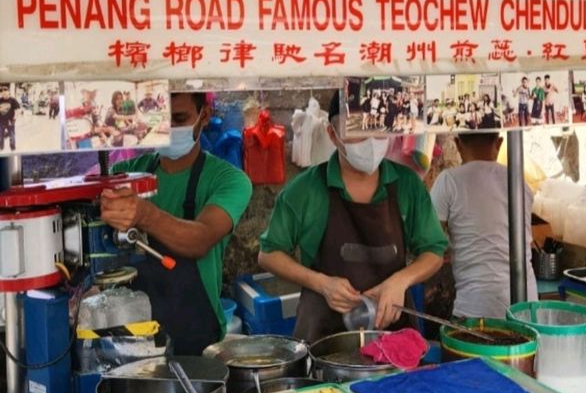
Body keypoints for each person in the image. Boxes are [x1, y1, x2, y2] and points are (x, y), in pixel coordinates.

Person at [258, 91, 447, 343]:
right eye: (356, 130)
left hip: (392, 331)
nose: (369, 140)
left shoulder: (407, 185)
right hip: (324, 336)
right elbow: (268, 254)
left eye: (377, 127)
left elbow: (434, 251)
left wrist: (401, 281)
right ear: (332, 135)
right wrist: (322, 283)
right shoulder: (305, 190)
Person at [100, 92, 252, 355]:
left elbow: (201, 239)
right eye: (158, 119)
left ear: (204, 116)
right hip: (128, 335)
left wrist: (145, 215)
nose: (167, 129)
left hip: (194, 335)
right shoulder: (124, 176)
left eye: (178, 118)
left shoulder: (229, 180)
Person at [430, 132, 538, 319]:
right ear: (499, 142)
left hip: (476, 308)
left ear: (457, 144)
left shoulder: (449, 180)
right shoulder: (519, 181)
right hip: (527, 303)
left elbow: (431, 240)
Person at [0, 86, 20, 152]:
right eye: (3, 93)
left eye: (5, 93)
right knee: (0, 136)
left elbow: (17, 110)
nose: (4, 94)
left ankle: (13, 150)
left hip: (10, 121)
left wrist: (14, 119)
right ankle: (1, 149)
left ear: (8, 92)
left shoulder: (13, 100)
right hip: (1, 121)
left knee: (12, 136)